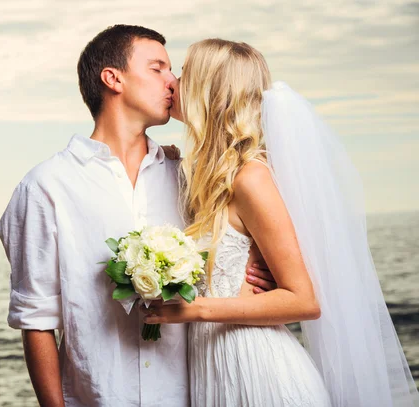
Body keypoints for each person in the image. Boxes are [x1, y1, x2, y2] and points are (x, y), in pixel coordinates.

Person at [0, 26, 275, 407]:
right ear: (113, 79)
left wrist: (260, 264)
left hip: (197, 396)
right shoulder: (46, 187)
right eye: (158, 68)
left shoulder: (189, 176)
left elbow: (250, 238)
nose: (173, 81)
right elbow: (36, 319)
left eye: (172, 70)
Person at [142, 39, 419, 406]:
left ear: (213, 90)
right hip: (215, 370)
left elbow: (304, 301)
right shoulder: (205, 177)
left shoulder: (250, 177)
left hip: (259, 371)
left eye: (185, 73)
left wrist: (196, 310)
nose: (174, 82)